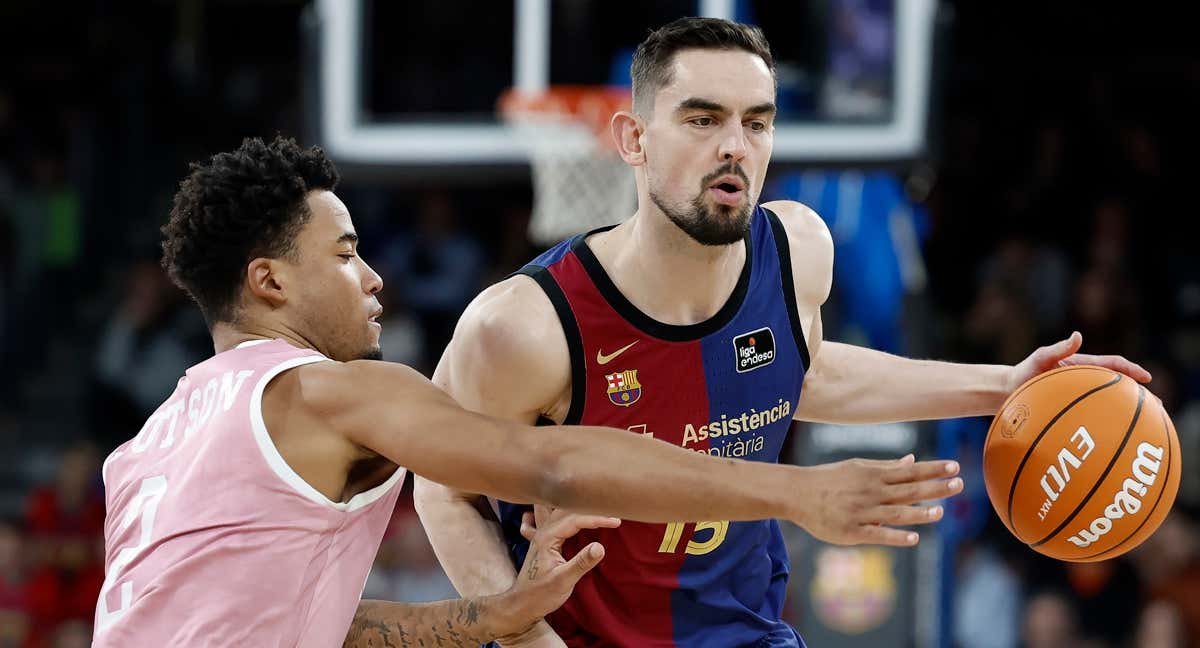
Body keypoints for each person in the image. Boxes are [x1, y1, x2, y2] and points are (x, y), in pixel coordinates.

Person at [414, 17, 1150, 648]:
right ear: (634, 138)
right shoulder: (525, 325)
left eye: (756, 122)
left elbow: (804, 371)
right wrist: (522, 634)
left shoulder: (800, 248)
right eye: (703, 120)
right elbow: (443, 490)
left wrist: (1003, 386)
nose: (735, 145)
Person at [92, 136, 964, 647]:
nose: (374, 278)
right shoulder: (324, 396)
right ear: (269, 282)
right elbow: (549, 464)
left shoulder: (150, 446)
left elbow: (307, 628)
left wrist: (490, 614)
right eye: (346, 252)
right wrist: (796, 491)